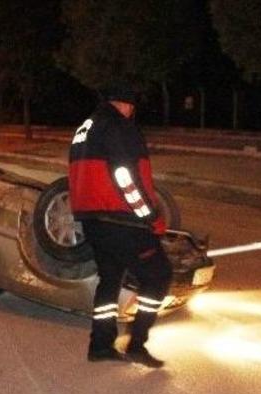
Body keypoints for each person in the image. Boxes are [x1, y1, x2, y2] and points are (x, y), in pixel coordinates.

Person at [68, 84, 172, 368]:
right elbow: (125, 177)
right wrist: (149, 216)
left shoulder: (85, 127)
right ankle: (136, 343)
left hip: (93, 220)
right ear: (126, 104)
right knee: (159, 275)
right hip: (121, 220)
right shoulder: (119, 126)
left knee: (110, 279)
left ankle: (100, 345)